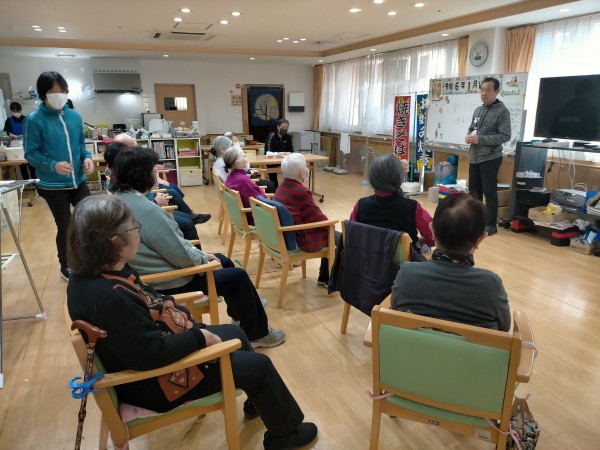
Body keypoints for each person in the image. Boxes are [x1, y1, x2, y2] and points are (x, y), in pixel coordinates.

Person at [66, 195, 318, 450]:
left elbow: (147, 305)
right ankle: (285, 437)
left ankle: (260, 399)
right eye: (135, 228)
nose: (138, 234)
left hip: (149, 357)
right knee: (260, 367)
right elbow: (151, 354)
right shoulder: (108, 298)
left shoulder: (96, 273)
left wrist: (181, 318)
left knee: (237, 334)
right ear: (115, 242)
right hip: (153, 383)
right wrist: (200, 337)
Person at [111, 147, 285, 349]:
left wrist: (202, 255)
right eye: (154, 171)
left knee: (224, 260)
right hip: (170, 280)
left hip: (153, 274)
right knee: (238, 277)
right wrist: (202, 259)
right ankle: (258, 334)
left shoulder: (120, 199)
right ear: (142, 175)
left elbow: (173, 246)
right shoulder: (146, 210)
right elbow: (181, 256)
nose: (157, 175)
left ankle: (240, 316)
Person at [391, 193, 511, 331]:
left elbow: (395, 309)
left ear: (432, 230)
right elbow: (504, 328)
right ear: (480, 239)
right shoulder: (491, 285)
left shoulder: (406, 274)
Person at [24, 71, 94, 281]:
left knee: (91, 219)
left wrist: (87, 157)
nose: (59, 95)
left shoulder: (74, 116)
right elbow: (30, 153)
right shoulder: (34, 120)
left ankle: (92, 259)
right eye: (53, 91)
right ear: (43, 94)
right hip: (52, 185)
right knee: (66, 226)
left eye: (62, 90)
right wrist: (53, 165)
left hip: (78, 180)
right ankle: (66, 265)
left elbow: (81, 145)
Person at [104, 142, 201, 243]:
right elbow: (179, 249)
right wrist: (156, 201)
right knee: (187, 223)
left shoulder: (123, 189)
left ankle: (191, 216)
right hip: (153, 206)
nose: (156, 172)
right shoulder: (149, 210)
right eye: (153, 172)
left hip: (150, 203)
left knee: (177, 200)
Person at [113, 133, 211, 224]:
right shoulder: (127, 165)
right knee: (174, 194)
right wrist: (155, 199)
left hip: (147, 195)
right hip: (148, 198)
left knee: (173, 189)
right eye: (132, 143)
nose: (136, 144)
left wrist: (158, 179)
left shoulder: (127, 161)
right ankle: (187, 215)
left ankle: (187, 213)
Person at [274, 153, 337, 287]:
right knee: (338, 237)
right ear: (302, 173)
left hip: (285, 235)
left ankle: (324, 277)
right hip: (299, 238)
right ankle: (328, 279)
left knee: (331, 232)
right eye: (305, 166)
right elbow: (318, 218)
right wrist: (330, 224)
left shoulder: (281, 186)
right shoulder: (301, 192)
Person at [350, 154, 434, 252]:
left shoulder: (360, 205)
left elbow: (351, 233)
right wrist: (423, 241)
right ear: (399, 177)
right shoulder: (413, 207)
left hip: (367, 258)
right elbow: (433, 236)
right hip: (404, 261)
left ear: (372, 179)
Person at [465, 77, 511, 236]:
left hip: (491, 158)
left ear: (497, 91)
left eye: (488, 90)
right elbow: (471, 128)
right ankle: (475, 221)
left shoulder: (502, 111)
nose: (483, 93)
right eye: (482, 90)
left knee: (489, 192)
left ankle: (491, 224)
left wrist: (481, 139)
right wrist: (468, 136)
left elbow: (505, 136)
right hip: (474, 157)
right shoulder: (478, 110)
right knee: (473, 192)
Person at [223, 147, 265, 225]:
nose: (246, 159)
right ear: (237, 163)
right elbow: (259, 201)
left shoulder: (231, 176)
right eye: (244, 156)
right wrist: (262, 192)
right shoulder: (243, 180)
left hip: (240, 217)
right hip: (254, 219)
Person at [4, 101, 36, 180]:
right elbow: (8, 133)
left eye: (17, 110)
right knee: (22, 165)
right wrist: (15, 136)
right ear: (11, 110)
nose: (16, 112)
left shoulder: (26, 119)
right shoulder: (9, 120)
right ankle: (26, 182)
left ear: (20, 110)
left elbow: (32, 131)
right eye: (14, 111)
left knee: (31, 164)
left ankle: (34, 181)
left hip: (28, 143)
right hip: (16, 145)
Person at [264, 119, 293, 188]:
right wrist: (277, 154)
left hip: (284, 160)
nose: (284, 129)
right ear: (278, 127)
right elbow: (268, 152)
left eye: (286, 128)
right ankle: (275, 188)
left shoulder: (288, 137)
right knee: (272, 174)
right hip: (272, 161)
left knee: (292, 167)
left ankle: (288, 187)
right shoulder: (271, 136)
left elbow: (291, 151)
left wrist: (287, 153)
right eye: (283, 127)